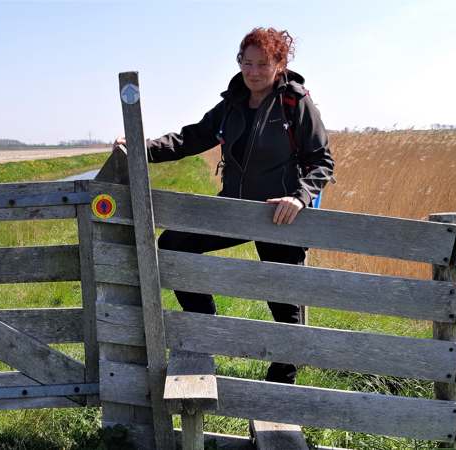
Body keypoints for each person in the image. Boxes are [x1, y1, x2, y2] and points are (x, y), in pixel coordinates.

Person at [113, 27, 334, 385]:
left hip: (278, 215)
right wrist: (141, 146)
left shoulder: (295, 103)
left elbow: (322, 161)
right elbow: (191, 138)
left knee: (283, 299)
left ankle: (282, 380)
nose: (253, 71)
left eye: (263, 64)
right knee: (173, 243)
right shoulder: (232, 103)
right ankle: (206, 325)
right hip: (233, 207)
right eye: (247, 62)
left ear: (279, 64)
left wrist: (299, 197)